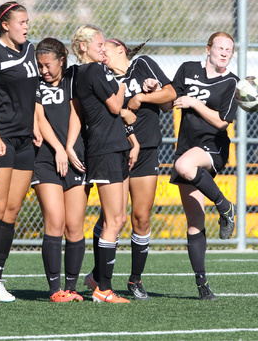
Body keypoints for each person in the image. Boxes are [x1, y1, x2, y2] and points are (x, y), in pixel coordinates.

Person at [161, 31, 238, 300]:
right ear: (208, 49)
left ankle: (225, 205)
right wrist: (153, 89)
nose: (225, 52)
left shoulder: (231, 82)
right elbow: (168, 103)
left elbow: (221, 122)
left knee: (183, 165)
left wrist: (194, 102)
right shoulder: (188, 69)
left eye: (229, 49)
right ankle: (203, 286)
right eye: (220, 47)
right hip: (187, 147)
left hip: (213, 147)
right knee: (194, 220)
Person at [68, 24, 138, 303]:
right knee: (112, 220)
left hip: (116, 146)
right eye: (98, 44)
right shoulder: (93, 70)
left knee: (119, 218)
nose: (103, 48)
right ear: (83, 46)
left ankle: (98, 279)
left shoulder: (92, 71)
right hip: (104, 150)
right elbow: (114, 106)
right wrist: (121, 87)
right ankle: (103, 288)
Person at [103, 38, 176, 300]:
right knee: (111, 219)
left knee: (141, 218)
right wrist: (125, 111)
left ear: (120, 49)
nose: (103, 54)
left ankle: (135, 280)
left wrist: (143, 96)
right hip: (115, 150)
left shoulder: (143, 64)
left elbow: (170, 95)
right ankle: (101, 278)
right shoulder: (102, 75)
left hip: (146, 150)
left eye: (106, 49)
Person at [0, 1, 39, 302]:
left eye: (28, 22)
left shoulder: (30, 50)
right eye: (21, 22)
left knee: (13, 211)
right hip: (2, 138)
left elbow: (35, 96)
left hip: (25, 140)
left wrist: (38, 126)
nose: (26, 27)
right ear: (5, 24)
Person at [32, 37, 89, 302]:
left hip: (74, 156)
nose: (44, 70)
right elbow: (39, 117)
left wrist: (68, 148)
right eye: (40, 65)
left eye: (48, 65)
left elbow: (76, 112)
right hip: (45, 159)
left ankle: (72, 288)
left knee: (74, 226)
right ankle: (55, 290)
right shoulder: (35, 82)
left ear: (62, 61)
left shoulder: (74, 78)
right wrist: (57, 149)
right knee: (55, 222)